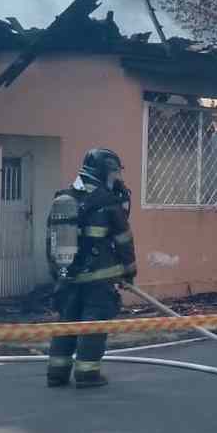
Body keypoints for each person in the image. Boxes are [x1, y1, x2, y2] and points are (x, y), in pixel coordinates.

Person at [45, 148, 137, 388]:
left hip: (68, 279)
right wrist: (130, 271)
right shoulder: (108, 202)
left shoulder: (64, 197)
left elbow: (50, 242)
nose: (117, 178)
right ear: (105, 171)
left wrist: (59, 275)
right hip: (99, 279)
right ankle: (87, 374)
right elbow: (124, 240)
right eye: (115, 172)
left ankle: (57, 372)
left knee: (67, 323)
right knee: (93, 323)